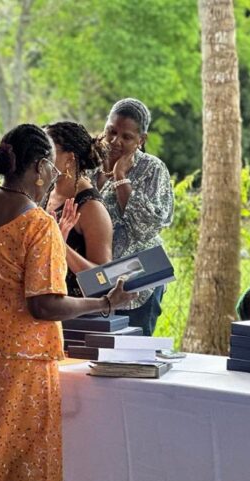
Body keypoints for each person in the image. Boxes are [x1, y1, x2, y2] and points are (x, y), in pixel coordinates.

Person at [0, 124, 136, 481]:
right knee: (23, 457)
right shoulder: (38, 224)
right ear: (39, 167)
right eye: (51, 166)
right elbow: (44, 304)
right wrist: (105, 303)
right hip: (24, 358)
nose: (54, 174)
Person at [93, 98, 174, 336]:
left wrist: (120, 177)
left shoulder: (152, 169)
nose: (115, 141)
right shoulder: (90, 163)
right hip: (95, 276)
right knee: (93, 347)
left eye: (127, 137)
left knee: (132, 348)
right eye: (111, 131)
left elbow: (145, 228)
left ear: (142, 140)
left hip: (138, 280)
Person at [42, 121, 113, 296]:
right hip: (43, 301)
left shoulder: (91, 207)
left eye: (46, 151)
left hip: (74, 307)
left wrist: (61, 245)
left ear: (69, 159)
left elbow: (103, 279)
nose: (38, 158)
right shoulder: (46, 190)